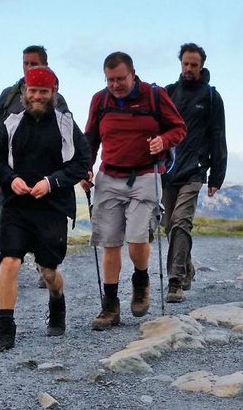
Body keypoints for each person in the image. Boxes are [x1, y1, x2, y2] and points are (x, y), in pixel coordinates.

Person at [0, 66, 89, 353]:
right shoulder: (12, 122)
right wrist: (11, 179)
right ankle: (5, 330)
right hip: (16, 206)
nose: (38, 96)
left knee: (48, 270)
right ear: (25, 93)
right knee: (9, 261)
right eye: (33, 91)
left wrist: (51, 183)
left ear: (53, 93)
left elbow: (82, 161)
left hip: (52, 208)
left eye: (44, 91)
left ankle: (57, 300)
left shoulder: (66, 124)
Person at [81, 51, 187, 330]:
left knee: (138, 239)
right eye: (110, 80)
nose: (115, 85)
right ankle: (110, 307)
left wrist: (163, 141)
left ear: (133, 74)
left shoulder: (154, 96)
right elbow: (90, 138)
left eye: (120, 79)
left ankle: (141, 279)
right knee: (110, 241)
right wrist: (86, 168)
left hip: (145, 175)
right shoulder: (100, 100)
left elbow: (179, 128)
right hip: (109, 176)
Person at [0, 45, 70, 298]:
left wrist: (56, 178)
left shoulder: (57, 100)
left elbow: (69, 144)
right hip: (11, 178)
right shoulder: (8, 96)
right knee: (5, 225)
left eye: (34, 63)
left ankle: (47, 270)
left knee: (46, 232)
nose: (28, 68)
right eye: (26, 63)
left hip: (45, 183)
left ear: (46, 65)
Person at [161, 43, 227, 303]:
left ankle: (175, 281)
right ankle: (187, 268)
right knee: (168, 226)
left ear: (202, 66)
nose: (188, 69)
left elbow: (218, 136)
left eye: (194, 65)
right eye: (185, 64)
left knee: (180, 221)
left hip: (196, 171)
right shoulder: (168, 93)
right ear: (180, 63)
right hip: (168, 170)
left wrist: (217, 176)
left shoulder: (211, 97)